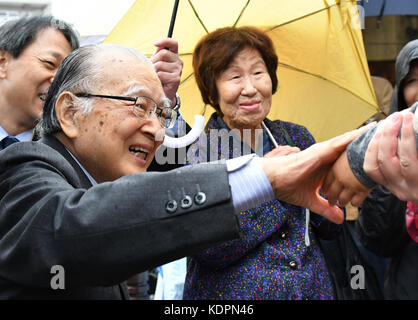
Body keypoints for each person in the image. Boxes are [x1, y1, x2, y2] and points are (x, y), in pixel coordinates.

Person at [0, 43, 367, 299]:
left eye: (161, 113)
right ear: (68, 113)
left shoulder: (293, 134)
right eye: (139, 105)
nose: (158, 131)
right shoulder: (24, 171)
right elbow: (81, 226)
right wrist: (265, 181)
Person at [181, 26, 349, 300]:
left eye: (259, 73)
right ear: (212, 90)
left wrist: (327, 189)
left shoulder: (296, 136)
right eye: (234, 77)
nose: (250, 88)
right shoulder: (200, 153)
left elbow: (331, 226)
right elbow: (209, 250)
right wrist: (271, 185)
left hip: (311, 291)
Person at [322, 39, 418, 299]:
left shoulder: (378, 89)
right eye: (411, 81)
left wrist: (365, 150)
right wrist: (386, 177)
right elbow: (378, 240)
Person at [0, 15, 79, 150]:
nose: (59, 82)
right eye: (50, 63)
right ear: (3, 62)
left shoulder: (68, 155)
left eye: (65, 72)